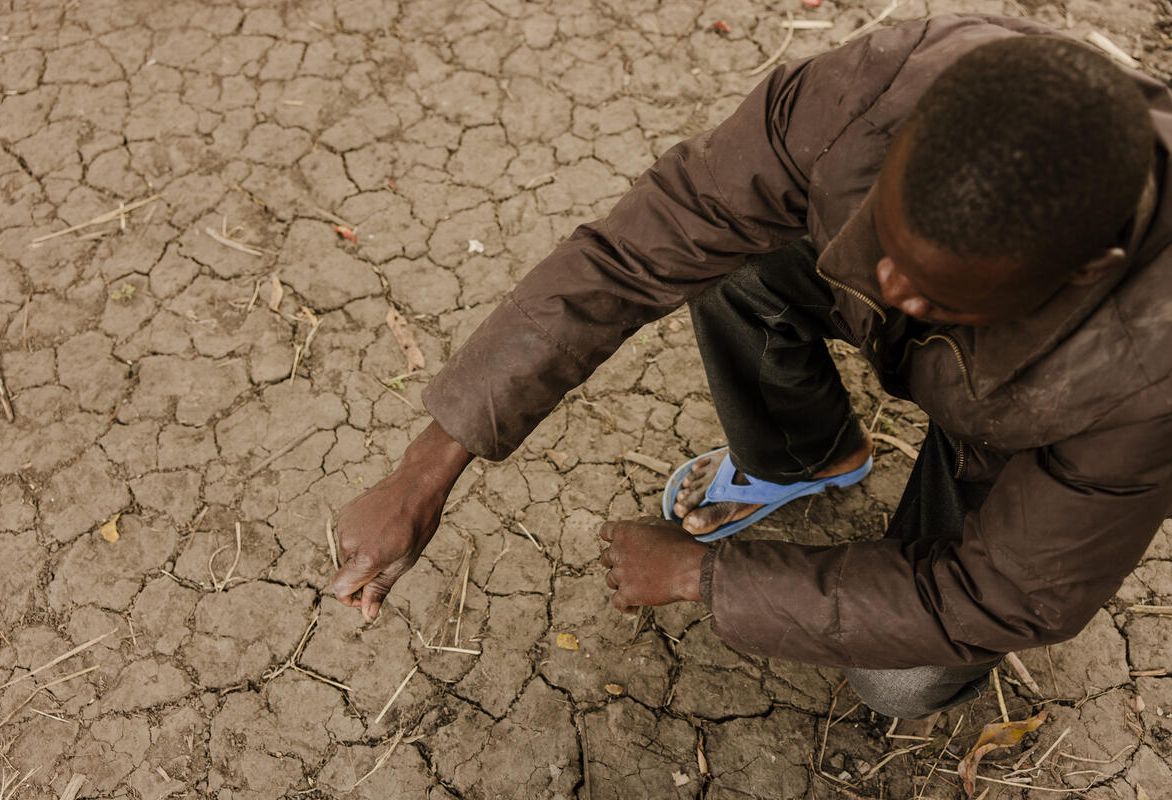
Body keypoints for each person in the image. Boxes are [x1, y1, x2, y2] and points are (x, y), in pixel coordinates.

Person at [331, 13, 1172, 720]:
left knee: (899, 677)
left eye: (938, 294)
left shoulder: (1152, 371)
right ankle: (807, 455)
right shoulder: (885, 84)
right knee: (733, 250)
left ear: (1088, 270)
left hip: (1014, 442)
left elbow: (1000, 594)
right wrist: (426, 466)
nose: (883, 286)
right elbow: (642, 245)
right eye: (885, 236)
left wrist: (709, 578)